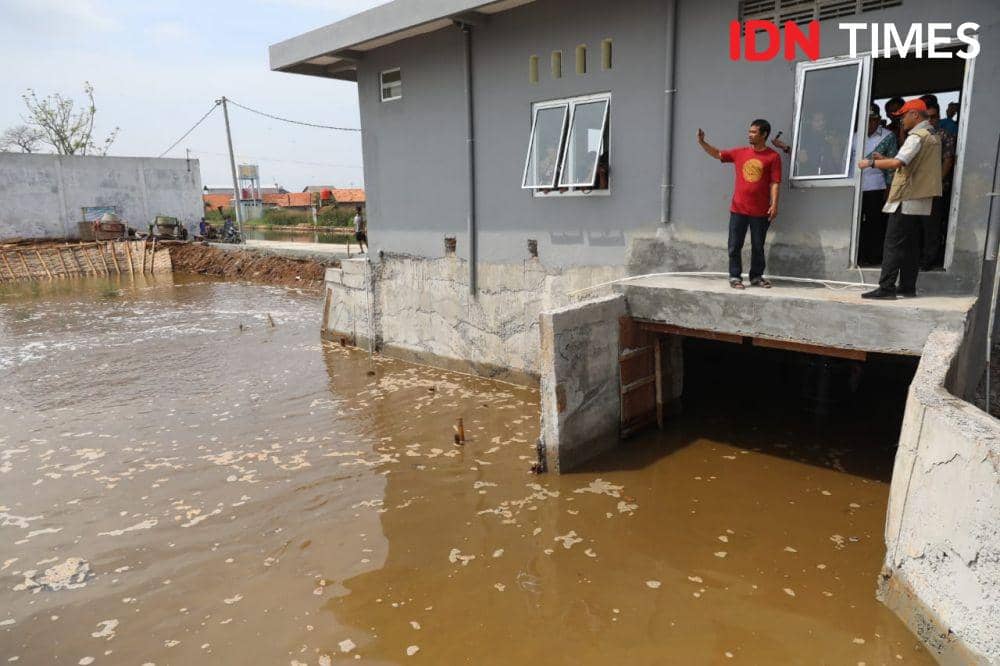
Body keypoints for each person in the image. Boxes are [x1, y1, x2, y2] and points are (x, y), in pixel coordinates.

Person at [857, 98, 941, 299]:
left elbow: (898, 162)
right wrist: (883, 159)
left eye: (903, 115)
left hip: (907, 196)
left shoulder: (917, 136)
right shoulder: (932, 135)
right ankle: (907, 286)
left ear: (914, 115)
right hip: (921, 197)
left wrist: (869, 163)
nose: (901, 120)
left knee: (893, 242)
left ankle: (886, 288)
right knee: (911, 244)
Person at [697, 119, 782, 289]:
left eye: (754, 132)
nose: (750, 135)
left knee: (758, 246)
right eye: (749, 132)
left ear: (764, 134)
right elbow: (718, 154)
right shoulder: (740, 153)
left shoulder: (773, 157)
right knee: (734, 245)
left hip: (760, 211)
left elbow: (775, 182)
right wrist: (702, 142)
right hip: (738, 209)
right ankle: (735, 277)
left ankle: (756, 277)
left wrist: (774, 204)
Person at [859, 103, 898, 265]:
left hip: (878, 187)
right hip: (857, 188)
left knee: (876, 224)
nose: (870, 124)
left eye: (873, 120)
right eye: (866, 120)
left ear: (878, 120)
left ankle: (874, 257)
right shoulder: (855, 136)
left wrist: (889, 189)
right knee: (859, 224)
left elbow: (892, 166)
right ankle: (860, 255)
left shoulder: (888, 136)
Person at [923, 100, 957, 269]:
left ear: (939, 117)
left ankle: (930, 261)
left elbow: (948, 160)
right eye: (927, 117)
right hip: (918, 189)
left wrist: (936, 181)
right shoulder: (918, 136)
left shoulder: (944, 135)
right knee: (917, 226)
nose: (931, 121)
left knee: (932, 227)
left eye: (934, 117)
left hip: (936, 188)